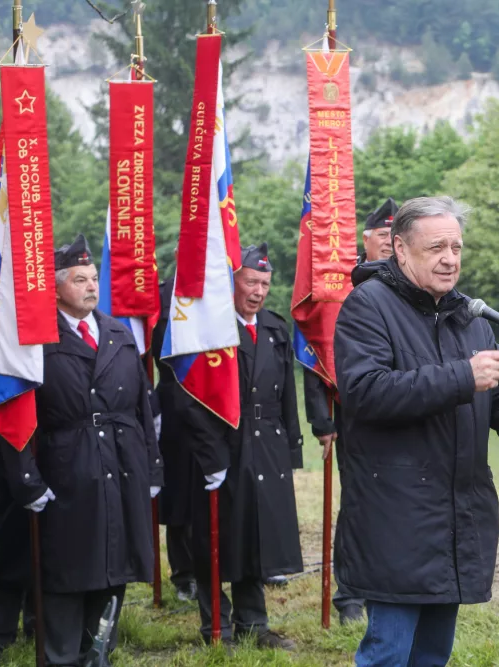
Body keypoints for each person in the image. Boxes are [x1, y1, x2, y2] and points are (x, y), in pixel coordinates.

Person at [334, 196, 499, 665]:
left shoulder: (467, 315)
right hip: (395, 515)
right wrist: (462, 377)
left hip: (456, 511)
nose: (450, 259)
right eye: (437, 248)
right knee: (389, 653)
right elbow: (365, 392)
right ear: (400, 250)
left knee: (432, 655)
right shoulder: (367, 306)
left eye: (457, 247)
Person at [0, 234, 163, 666]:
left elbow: (142, 407)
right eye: (80, 279)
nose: (91, 286)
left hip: (122, 467)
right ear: (55, 287)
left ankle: (98, 652)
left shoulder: (116, 332)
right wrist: (26, 480)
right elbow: (17, 416)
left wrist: (153, 468)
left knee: (113, 565)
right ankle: (61, 656)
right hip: (66, 470)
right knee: (66, 569)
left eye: (93, 278)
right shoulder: (33, 340)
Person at [180, 243, 303, 649]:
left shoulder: (274, 327)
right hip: (223, 444)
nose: (258, 291)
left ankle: (255, 623)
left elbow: (287, 395)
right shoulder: (211, 331)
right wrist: (208, 452)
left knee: (257, 533)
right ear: (232, 282)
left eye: (265, 283)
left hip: (267, 442)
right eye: (251, 281)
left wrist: (291, 449)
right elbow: (190, 397)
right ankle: (218, 626)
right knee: (216, 536)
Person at [302, 196, 399, 625]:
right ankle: (351, 596)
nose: (391, 246)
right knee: (359, 503)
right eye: (383, 237)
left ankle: (395, 586)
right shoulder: (340, 282)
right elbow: (314, 351)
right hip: (353, 410)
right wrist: (322, 421)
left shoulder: (410, 281)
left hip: (404, 408)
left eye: (397, 238)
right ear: (366, 239)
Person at [149, 266, 198, 602]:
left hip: (217, 401)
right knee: (181, 494)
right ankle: (184, 574)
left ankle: (220, 563)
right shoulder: (162, 294)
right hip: (176, 402)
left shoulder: (219, 285)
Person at [0, 427, 34, 665]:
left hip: (47, 440)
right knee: (4, 543)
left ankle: (37, 624)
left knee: (47, 541)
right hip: (5, 434)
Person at [356, 197, 397, 265]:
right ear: (366, 240)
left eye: (395, 236)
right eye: (383, 234)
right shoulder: (347, 270)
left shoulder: (413, 273)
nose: (390, 242)